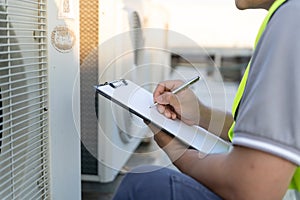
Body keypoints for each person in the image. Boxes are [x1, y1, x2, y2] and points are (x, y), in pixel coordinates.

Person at [113, 0, 300, 199]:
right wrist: (202, 114)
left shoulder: (292, 16)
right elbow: (272, 132)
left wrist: (177, 151)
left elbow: (251, 187)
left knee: (143, 186)